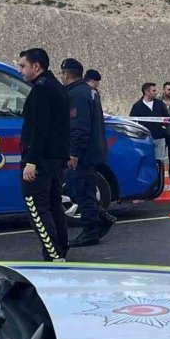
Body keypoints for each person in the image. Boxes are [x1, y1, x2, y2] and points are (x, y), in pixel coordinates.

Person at [17, 48, 70, 262]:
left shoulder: (41, 90)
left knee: (36, 207)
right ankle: (60, 249)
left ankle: (53, 253)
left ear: (36, 66)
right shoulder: (55, 87)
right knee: (54, 205)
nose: (20, 69)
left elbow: (40, 130)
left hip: (41, 160)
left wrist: (32, 161)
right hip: (55, 159)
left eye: (23, 65)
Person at [60, 58, 115, 247]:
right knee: (83, 189)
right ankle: (101, 217)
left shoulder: (76, 94)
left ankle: (91, 230)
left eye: (62, 74)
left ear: (66, 74)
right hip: (92, 151)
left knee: (81, 191)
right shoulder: (89, 92)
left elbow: (79, 127)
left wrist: (74, 152)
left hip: (82, 154)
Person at [130, 82, 169, 162]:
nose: (156, 92)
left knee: (160, 163)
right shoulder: (137, 106)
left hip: (159, 138)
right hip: (145, 140)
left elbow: (167, 117)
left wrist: (164, 127)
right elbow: (132, 122)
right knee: (146, 162)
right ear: (146, 92)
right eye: (154, 91)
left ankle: (159, 175)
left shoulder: (159, 103)